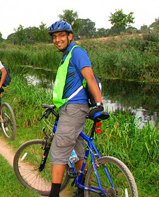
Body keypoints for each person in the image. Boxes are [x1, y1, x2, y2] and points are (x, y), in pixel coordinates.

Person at [48, 21, 103, 197]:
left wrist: (99, 104)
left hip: (74, 110)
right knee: (79, 152)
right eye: (55, 37)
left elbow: (90, 78)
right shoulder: (67, 55)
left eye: (61, 35)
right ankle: (82, 189)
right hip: (69, 107)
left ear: (70, 36)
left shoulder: (77, 52)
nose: (57, 40)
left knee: (58, 150)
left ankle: (54, 194)